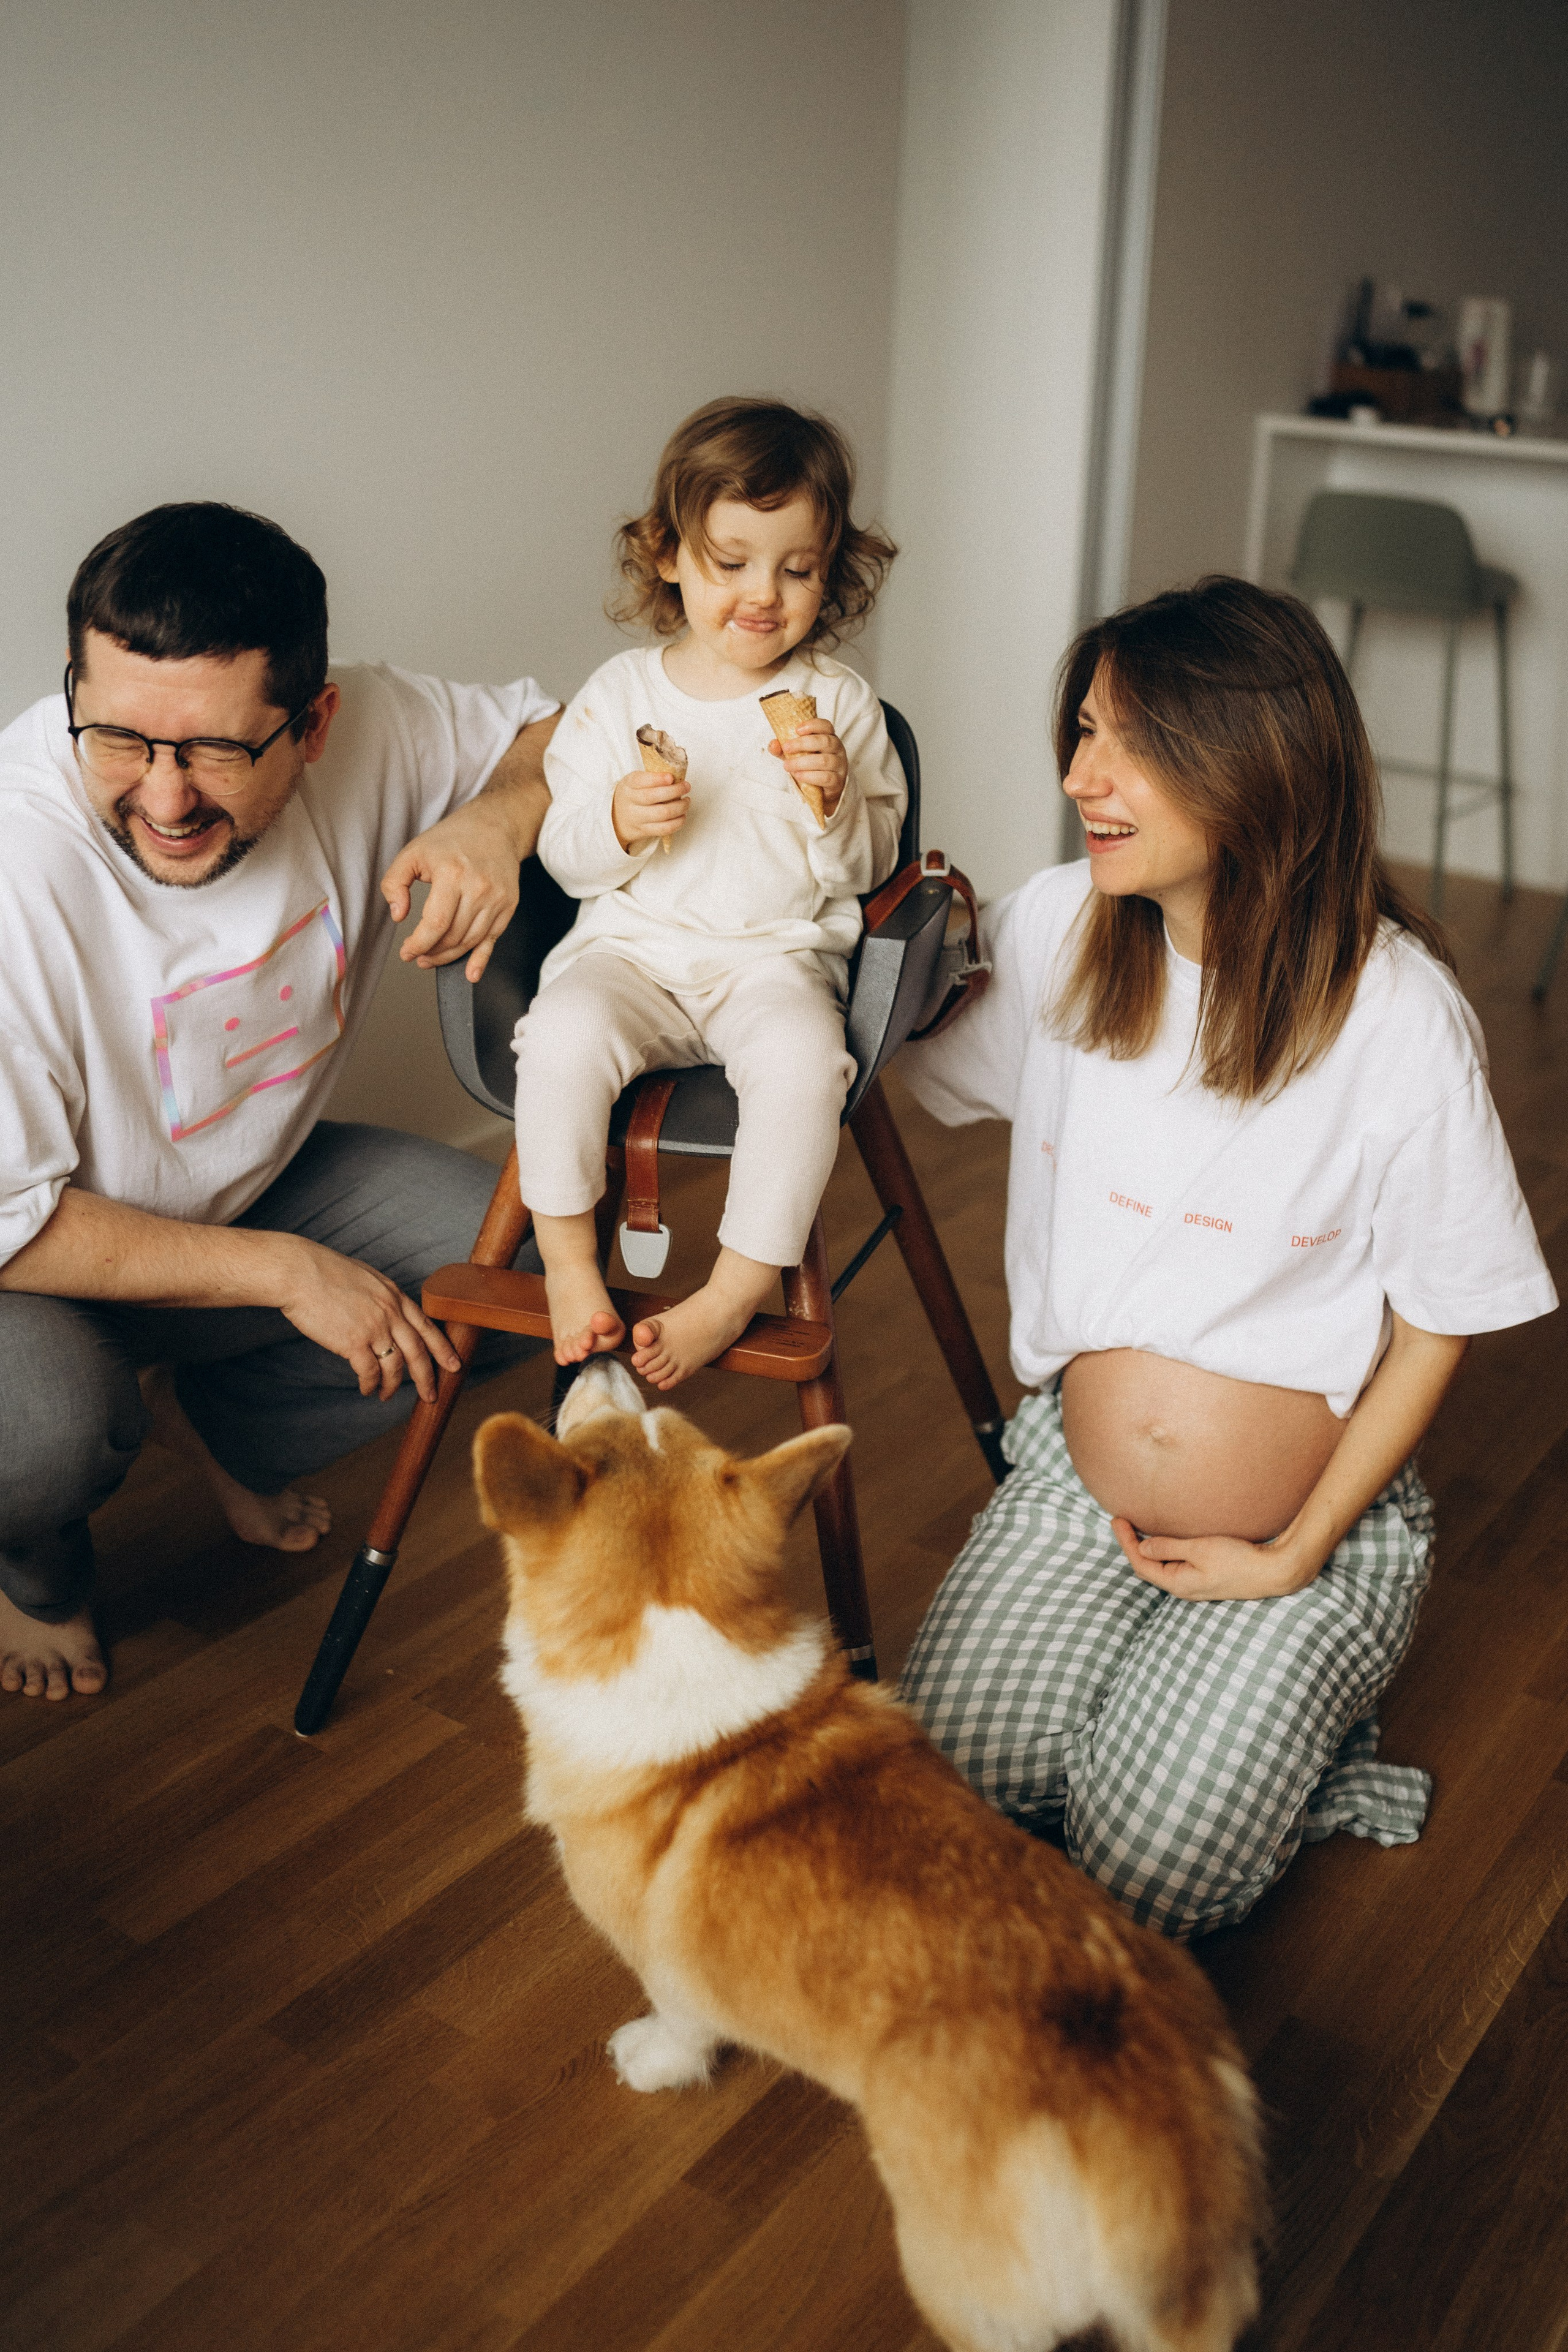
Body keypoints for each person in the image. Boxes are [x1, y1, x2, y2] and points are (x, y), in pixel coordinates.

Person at [897, 576, 1557, 1941]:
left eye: (1127, 743)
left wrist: (1297, 1546)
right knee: (952, 1779)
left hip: (1301, 1527)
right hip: (1079, 1490)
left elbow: (1437, 1322)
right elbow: (912, 1060)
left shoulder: (1395, 1017)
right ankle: (1182, 1710)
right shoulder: (1064, 929)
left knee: (1153, 1863)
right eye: (1079, 732)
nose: (1080, 776)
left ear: (1253, 767)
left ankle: (1292, 1733)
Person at [0, 501, 561, 1701]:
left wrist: (492, 817)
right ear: (72, 692)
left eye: (212, 750)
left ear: (315, 723)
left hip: (253, 1192)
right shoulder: (14, 859)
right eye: (117, 739)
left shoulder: (381, 728)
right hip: (36, 1266)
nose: (162, 798)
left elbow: (576, 732)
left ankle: (220, 1421)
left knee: (511, 1274)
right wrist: (282, 1273)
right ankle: (34, 1575)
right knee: (44, 1431)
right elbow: (8, 1218)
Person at [511, 397, 905, 1389]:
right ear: (669, 554)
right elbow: (562, 859)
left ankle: (733, 1289)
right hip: (630, 955)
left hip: (772, 962)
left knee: (808, 1066)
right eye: (731, 562)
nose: (763, 594)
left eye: (799, 568)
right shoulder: (618, 695)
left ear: (833, 572)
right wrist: (618, 823)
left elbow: (866, 870)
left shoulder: (841, 707)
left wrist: (834, 800)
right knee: (558, 1035)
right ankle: (565, 1264)